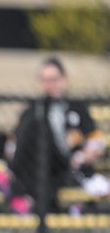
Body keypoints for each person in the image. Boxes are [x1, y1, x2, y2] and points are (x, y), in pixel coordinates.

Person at [7, 57, 106, 213]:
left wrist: (79, 158)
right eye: (44, 80)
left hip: (73, 171)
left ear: (64, 79)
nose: (49, 85)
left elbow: (97, 143)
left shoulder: (77, 107)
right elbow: (12, 146)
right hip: (39, 172)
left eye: (53, 79)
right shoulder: (33, 110)